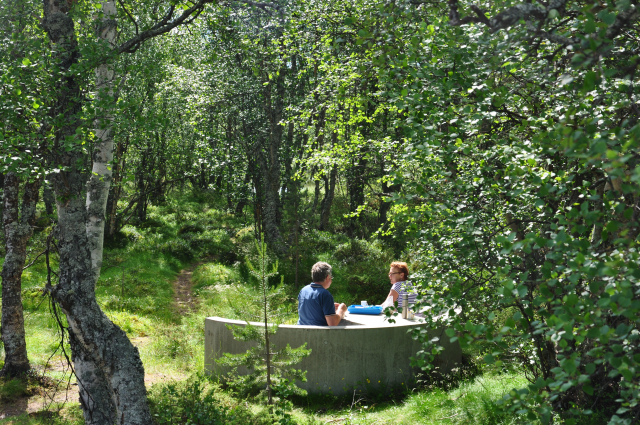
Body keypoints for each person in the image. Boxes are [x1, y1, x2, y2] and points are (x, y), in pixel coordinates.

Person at [297, 262, 348, 326]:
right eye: (331, 277)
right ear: (327, 277)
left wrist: (327, 307)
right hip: (319, 335)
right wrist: (341, 310)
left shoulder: (303, 290)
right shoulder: (325, 294)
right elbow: (332, 324)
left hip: (301, 333)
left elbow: (308, 311)